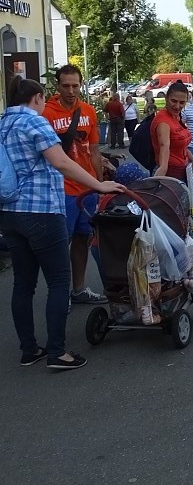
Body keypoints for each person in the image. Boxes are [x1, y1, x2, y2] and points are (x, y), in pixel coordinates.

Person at [0, 76, 123, 370]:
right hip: (41, 211)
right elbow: (62, 162)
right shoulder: (35, 122)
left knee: (23, 283)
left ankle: (29, 349)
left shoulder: (3, 124)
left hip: (9, 212)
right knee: (58, 282)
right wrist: (100, 185)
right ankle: (58, 352)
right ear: (38, 99)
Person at [42, 64, 106, 305]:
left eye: (75, 86)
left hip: (87, 188)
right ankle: (59, 294)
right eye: (66, 85)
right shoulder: (47, 113)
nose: (71, 91)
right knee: (60, 244)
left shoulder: (88, 110)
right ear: (58, 85)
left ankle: (78, 290)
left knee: (82, 239)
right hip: (62, 190)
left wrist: (100, 185)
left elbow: (95, 151)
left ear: (81, 85)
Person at [151, 81, 193, 182]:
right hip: (171, 174)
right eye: (173, 101)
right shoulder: (163, 121)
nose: (177, 106)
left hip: (182, 170)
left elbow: (177, 143)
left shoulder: (175, 116)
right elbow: (164, 145)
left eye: (182, 102)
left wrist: (190, 156)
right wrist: (163, 168)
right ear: (166, 98)